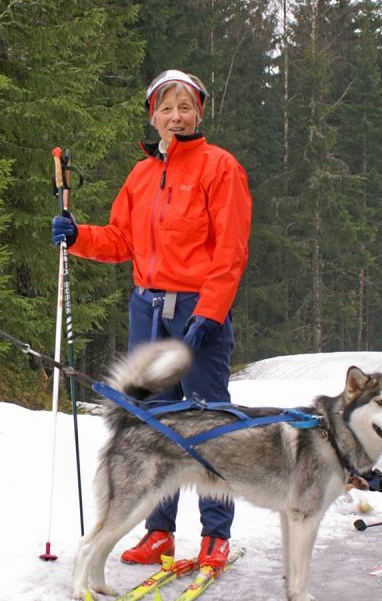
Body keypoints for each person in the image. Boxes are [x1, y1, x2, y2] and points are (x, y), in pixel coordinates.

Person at [51, 69, 252, 571]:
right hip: (147, 308)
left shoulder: (220, 167)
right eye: (166, 108)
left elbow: (230, 251)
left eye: (185, 106)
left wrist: (209, 313)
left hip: (197, 307)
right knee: (152, 424)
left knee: (208, 419)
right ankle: (158, 531)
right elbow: (122, 240)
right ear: (153, 116)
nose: (176, 116)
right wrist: (77, 236)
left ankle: (215, 537)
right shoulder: (142, 175)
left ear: (199, 112)